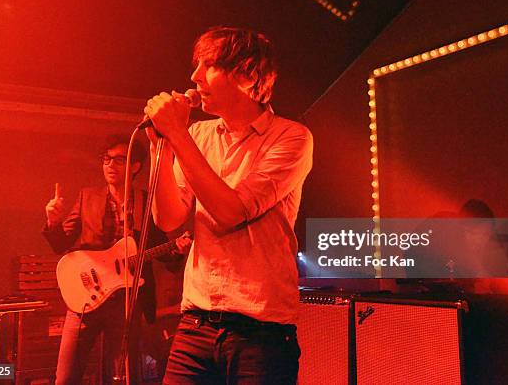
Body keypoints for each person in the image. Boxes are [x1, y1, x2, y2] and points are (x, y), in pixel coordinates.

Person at [143, 26, 313, 384]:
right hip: (195, 325)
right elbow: (169, 217)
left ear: (248, 73)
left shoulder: (291, 137)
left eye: (208, 66)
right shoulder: (199, 136)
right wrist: (162, 147)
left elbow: (231, 212)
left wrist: (177, 133)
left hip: (260, 334)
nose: (194, 77)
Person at [42, 135, 189, 384]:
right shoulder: (86, 197)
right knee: (65, 377)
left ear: (135, 166)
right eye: (106, 159)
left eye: (119, 160)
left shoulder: (147, 202)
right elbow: (60, 244)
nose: (110, 165)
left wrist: (178, 248)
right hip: (85, 298)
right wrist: (53, 222)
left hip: (127, 305)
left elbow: (163, 255)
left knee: (122, 377)